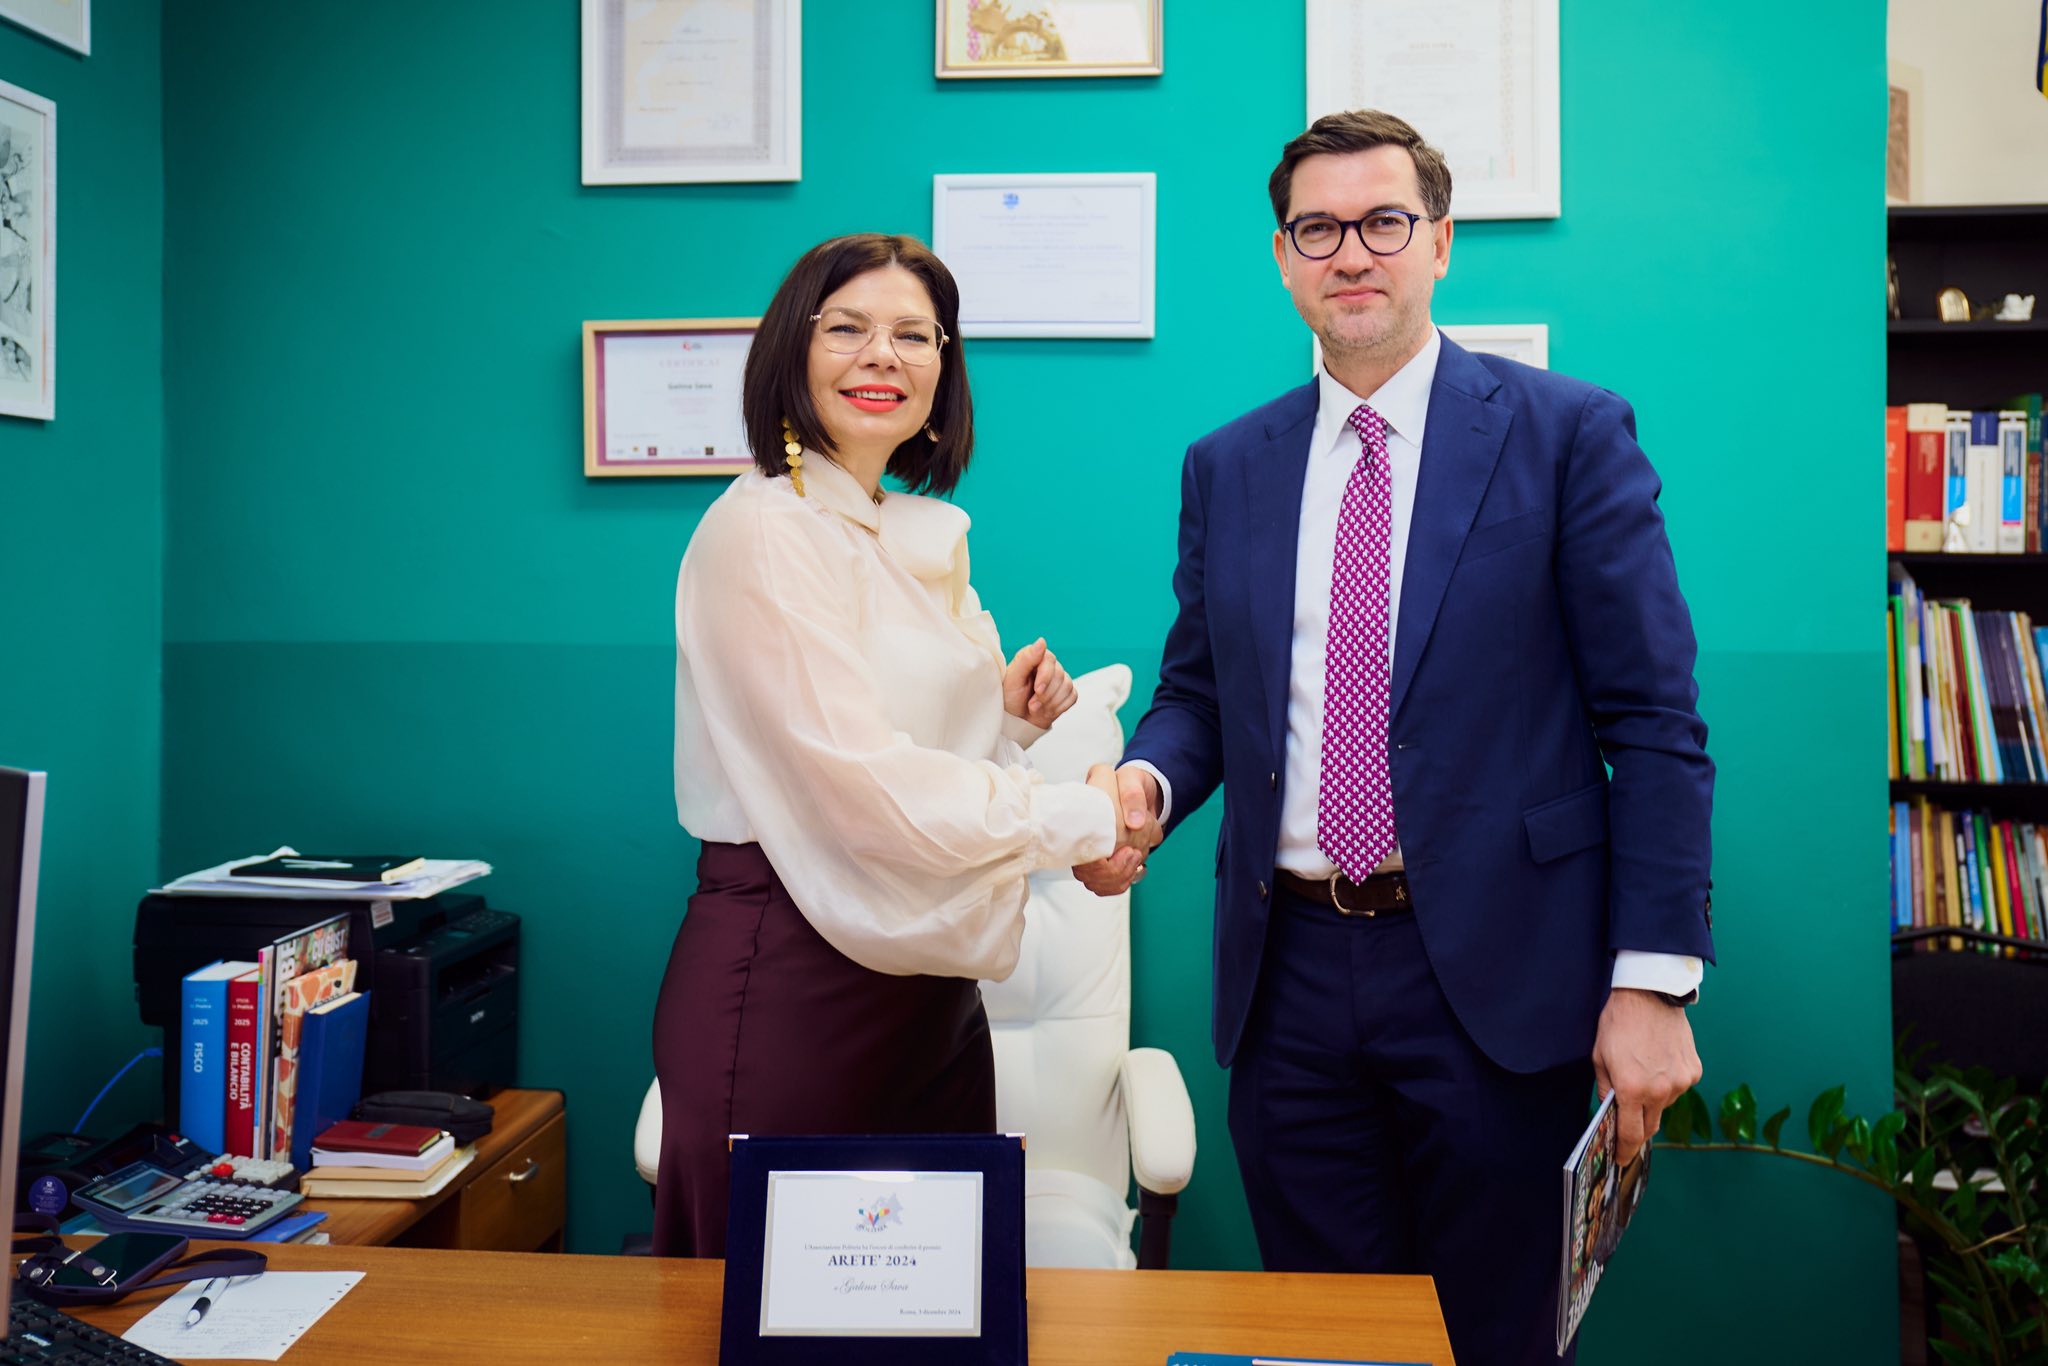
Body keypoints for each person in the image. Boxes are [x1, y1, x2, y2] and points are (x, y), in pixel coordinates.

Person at [1075, 110, 1716, 1365]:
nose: (1351, 252)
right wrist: (1143, 785)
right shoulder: (1228, 464)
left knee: (1494, 1335)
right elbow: (1197, 693)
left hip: (1497, 973)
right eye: (1317, 229)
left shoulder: (1565, 434)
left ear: (1439, 243)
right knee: (1327, 1340)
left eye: (1382, 221)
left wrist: (1649, 979)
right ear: (1282, 258)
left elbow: (1651, 724)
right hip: (1288, 980)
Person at [656, 232, 1137, 1256]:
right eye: (848, 329)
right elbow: (862, 790)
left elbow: (894, 741)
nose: (883, 355)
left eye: (914, 335)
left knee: (931, 1304)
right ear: (790, 350)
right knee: (776, 1305)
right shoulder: (766, 531)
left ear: (943, 367)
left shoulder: (904, 533)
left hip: (929, 989)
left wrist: (1002, 718)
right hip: (797, 981)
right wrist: (1087, 817)